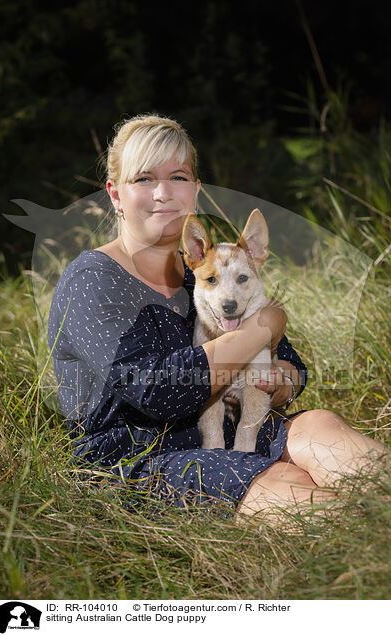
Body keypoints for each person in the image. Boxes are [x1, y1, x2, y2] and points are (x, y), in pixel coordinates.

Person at [48, 113, 386, 525]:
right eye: (144, 180)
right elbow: (157, 392)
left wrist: (280, 382)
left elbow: (292, 366)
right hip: (139, 456)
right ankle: (367, 537)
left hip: (226, 430)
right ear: (115, 194)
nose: (163, 193)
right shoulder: (93, 281)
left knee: (321, 427)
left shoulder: (206, 272)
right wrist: (266, 324)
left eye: (178, 177)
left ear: (196, 190)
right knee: (285, 479)